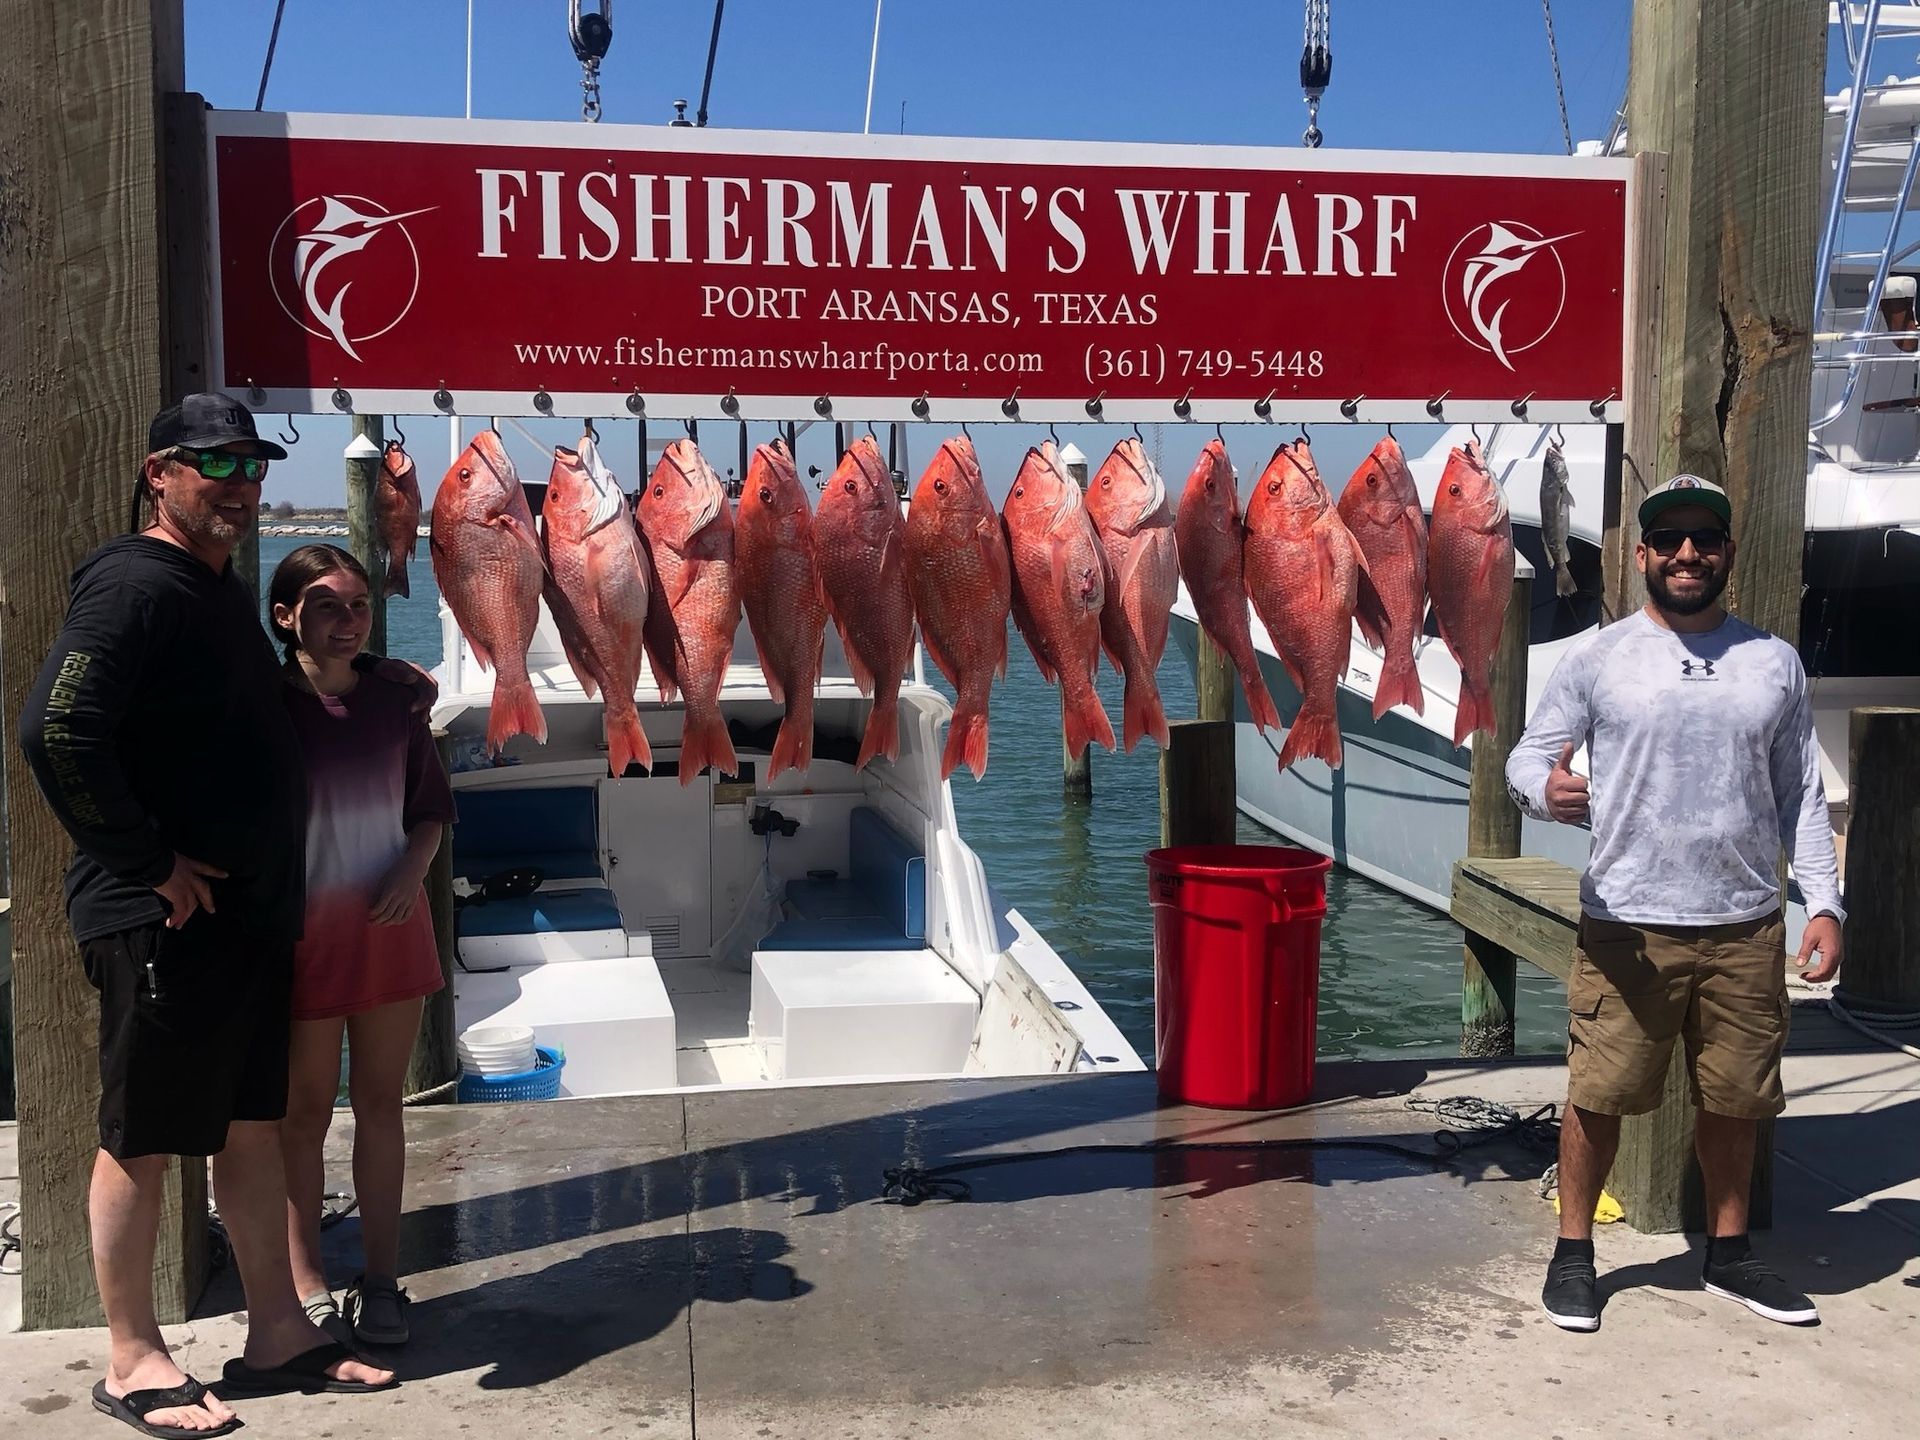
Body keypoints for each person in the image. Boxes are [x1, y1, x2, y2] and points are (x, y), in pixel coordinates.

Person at [18, 394, 395, 1436]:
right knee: (141, 1137)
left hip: (243, 919)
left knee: (250, 1126)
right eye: (214, 464)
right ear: (158, 473)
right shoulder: (135, 583)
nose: (238, 484)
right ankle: (135, 1358)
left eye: (251, 465)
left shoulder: (218, 585)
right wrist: (146, 862)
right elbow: (57, 730)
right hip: (166, 923)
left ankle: (278, 1329)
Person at [1505, 473, 1845, 1335]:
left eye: (1704, 538)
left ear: (1728, 551)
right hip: (1629, 921)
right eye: (1670, 539)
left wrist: (1825, 903)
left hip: (1745, 923)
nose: (1687, 552)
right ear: (1642, 553)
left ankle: (1730, 1254)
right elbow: (1525, 759)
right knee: (1600, 1094)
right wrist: (1548, 791)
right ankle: (1573, 1254)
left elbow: (1800, 793)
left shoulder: (1774, 661)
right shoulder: (1597, 655)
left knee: (1738, 1098)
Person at [269, 544, 454, 1350]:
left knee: (382, 1108)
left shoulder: (396, 705)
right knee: (299, 1116)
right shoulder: (258, 706)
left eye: (359, 607)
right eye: (327, 607)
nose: (347, 622)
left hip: (389, 936)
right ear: (287, 617)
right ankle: (304, 1280)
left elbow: (431, 813)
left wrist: (413, 874)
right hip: (298, 939)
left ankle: (382, 1279)